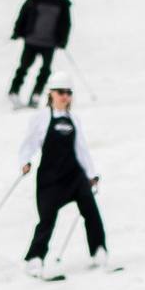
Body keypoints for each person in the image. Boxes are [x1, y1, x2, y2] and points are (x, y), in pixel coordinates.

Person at [18, 84, 106, 275]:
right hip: (50, 179)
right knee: (47, 219)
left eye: (68, 93)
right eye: (61, 92)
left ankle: (99, 250)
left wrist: (91, 174)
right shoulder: (40, 118)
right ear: (51, 93)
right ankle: (35, 259)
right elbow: (30, 143)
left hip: (74, 175)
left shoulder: (73, 119)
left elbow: (81, 148)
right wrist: (25, 161)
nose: (65, 96)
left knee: (90, 210)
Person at [8, 0, 73, 105]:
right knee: (24, 67)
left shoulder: (62, 3)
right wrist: (18, 31)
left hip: (49, 43)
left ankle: (36, 94)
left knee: (45, 70)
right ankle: (14, 92)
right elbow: (23, 14)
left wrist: (62, 40)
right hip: (32, 40)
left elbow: (66, 23)